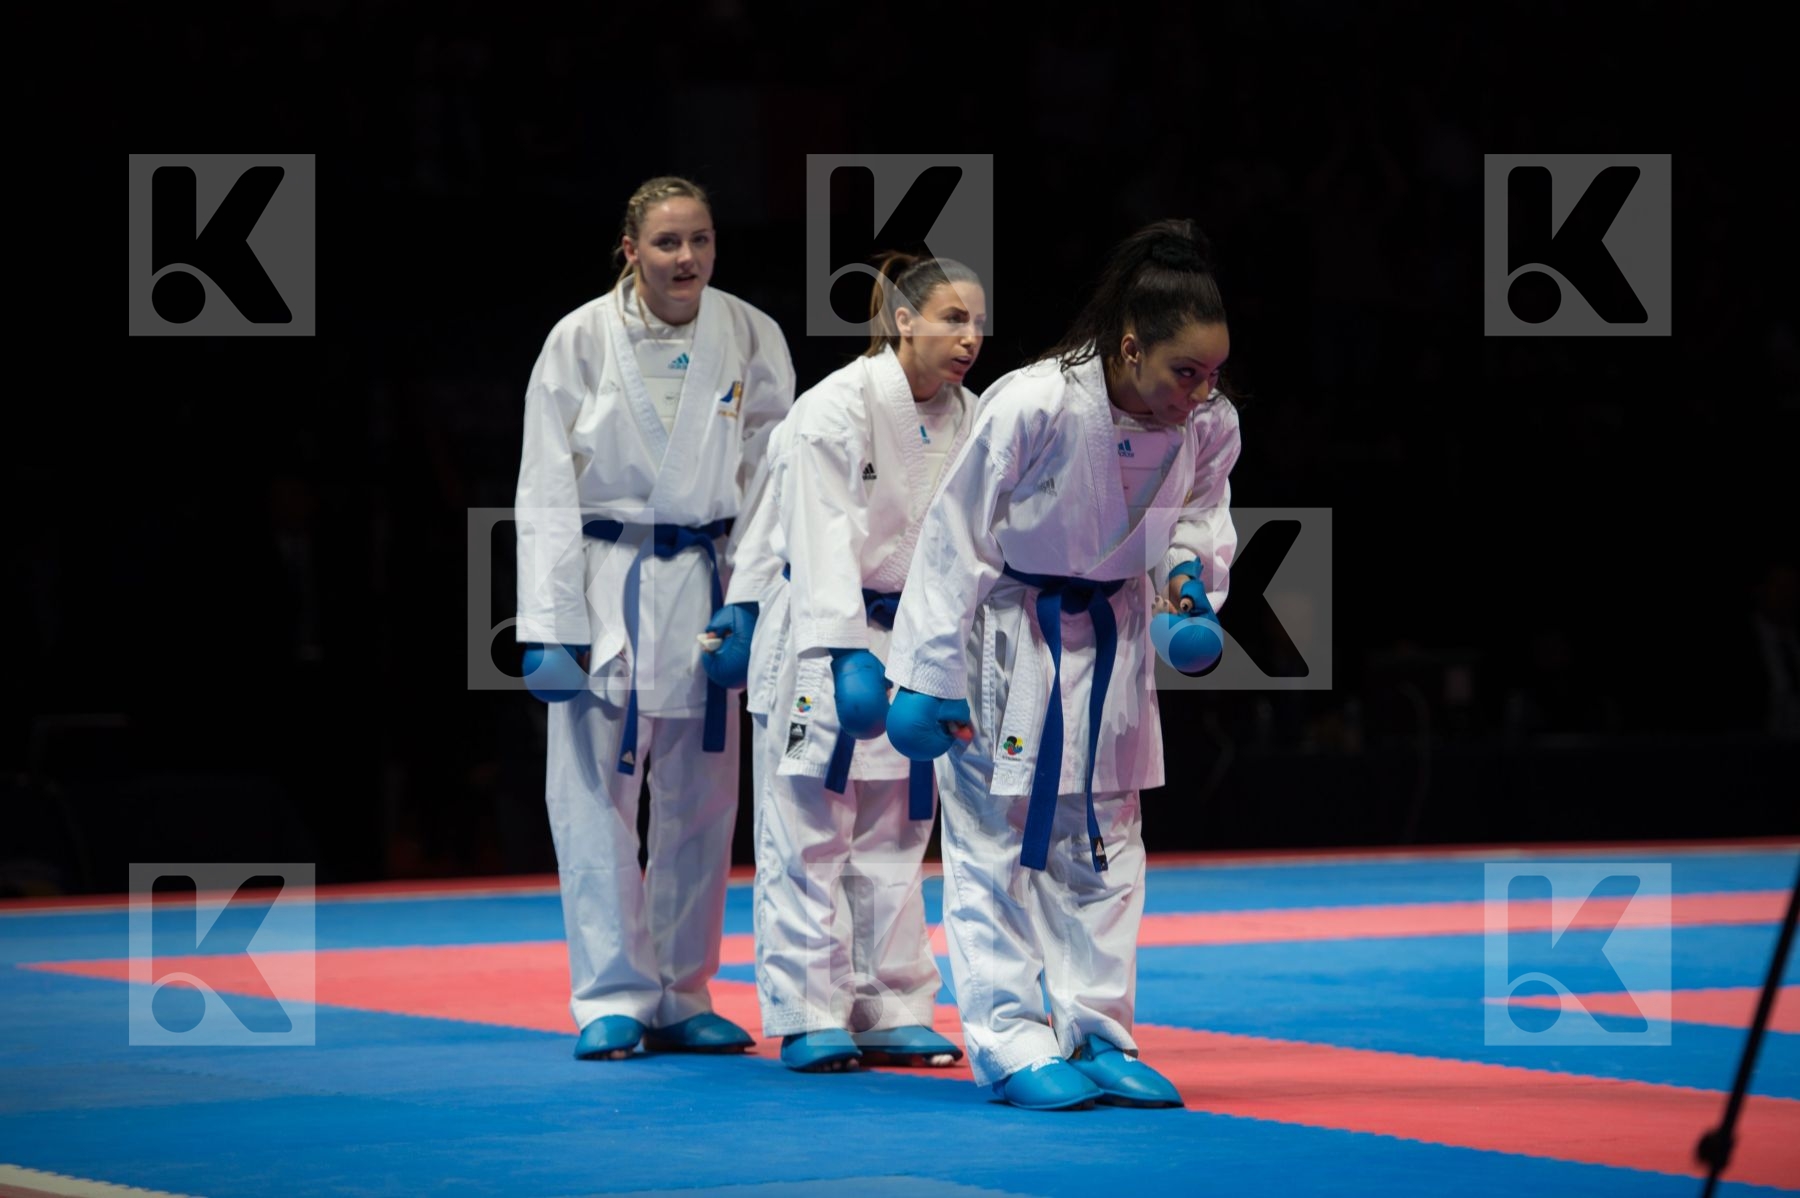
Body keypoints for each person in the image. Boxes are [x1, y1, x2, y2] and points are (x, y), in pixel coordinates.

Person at [885, 218, 1242, 1111]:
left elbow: (1202, 511)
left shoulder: (1209, 422)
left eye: (1210, 375)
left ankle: (1099, 1031)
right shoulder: (1034, 402)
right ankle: (1009, 1039)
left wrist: (1191, 574)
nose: (1198, 394)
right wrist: (922, 676)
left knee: (1107, 841)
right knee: (997, 844)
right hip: (1012, 639)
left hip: (1114, 639)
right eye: (1182, 373)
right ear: (1130, 347)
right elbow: (953, 535)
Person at [513, 175, 795, 1060]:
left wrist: (754, 601)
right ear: (630, 249)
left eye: (701, 240)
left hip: (709, 581)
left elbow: (774, 482)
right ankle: (610, 993)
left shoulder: (751, 334)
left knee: (703, 804)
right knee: (595, 798)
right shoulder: (578, 339)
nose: (688, 258)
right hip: (610, 584)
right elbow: (545, 487)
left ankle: (683, 991)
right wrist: (546, 621)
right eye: (669, 243)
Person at [714, 254, 984, 1072]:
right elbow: (815, 533)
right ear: (903, 320)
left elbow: (972, 545)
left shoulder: (973, 416)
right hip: (823, 636)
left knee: (899, 829)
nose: (970, 338)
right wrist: (838, 650)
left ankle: (892, 1001)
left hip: (912, 638)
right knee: (809, 829)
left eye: (977, 322)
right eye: (951, 319)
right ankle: (807, 1008)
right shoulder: (835, 406)